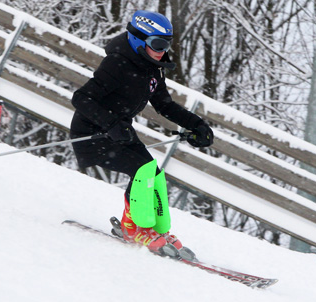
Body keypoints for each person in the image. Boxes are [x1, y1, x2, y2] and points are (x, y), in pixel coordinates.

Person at [70, 11, 214, 257]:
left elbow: (165, 105)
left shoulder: (152, 68)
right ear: (139, 40)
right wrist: (112, 123)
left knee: (153, 172)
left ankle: (155, 229)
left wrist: (197, 124)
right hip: (92, 132)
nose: (162, 50)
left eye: (166, 44)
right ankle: (138, 228)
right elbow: (82, 98)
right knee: (141, 170)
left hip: (119, 130)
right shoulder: (117, 63)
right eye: (158, 44)